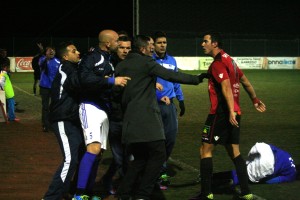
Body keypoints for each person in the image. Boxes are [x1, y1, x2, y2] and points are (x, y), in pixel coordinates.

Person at [115, 35, 209, 200]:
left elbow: (120, 93)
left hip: (129, 120)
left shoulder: (121, 65)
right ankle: (142, 194)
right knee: (158, 155)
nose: (152, 48)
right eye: (150, 46)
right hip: (147, 120)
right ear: (143, 49)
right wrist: (197, 78)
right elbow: (172, 75)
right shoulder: (146, 62)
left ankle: (123, 193)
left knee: (140, 159)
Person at [190, 31, 266, 200]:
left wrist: (230, 110)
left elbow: (225, 87)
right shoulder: (230, 60)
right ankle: (246, 192)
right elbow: (244, 81)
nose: (202, 44)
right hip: (235, 113)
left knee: (205, 149)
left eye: (205, 41)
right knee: (234, 151)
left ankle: (206, 193)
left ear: (214, 44)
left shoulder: (218, 63)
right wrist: (254, 99)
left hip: (221, 113)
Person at [72, 29, 130, 200]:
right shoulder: (92, 57)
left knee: (98, 153)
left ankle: (88, 192)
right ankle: (79, 193)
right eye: (117, 41)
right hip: (90, 106)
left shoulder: (109, 60)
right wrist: (111, 80)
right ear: (108, 43)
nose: (119, 44)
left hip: (103, 108)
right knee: (93, 148)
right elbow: (84, 79)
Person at [42, 41, 85, 200]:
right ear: (66, 56)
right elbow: (78, 84)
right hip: (63, 118)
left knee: (80, 155)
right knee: (70, 160)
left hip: (71, 119)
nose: (78, 52)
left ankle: (68, 190)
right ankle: (50, 197)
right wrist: (103, 81)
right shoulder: (66, 68)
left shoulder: (71, 68)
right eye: (74, 51)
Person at [151, 31, 186, 190]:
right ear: (153, 45)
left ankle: (160, 167)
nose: (162, 45)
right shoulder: (149, 61)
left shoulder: (172, 60)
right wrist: (158, 97)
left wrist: (181, 99)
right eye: (159, 42)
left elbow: (176, 80)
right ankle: (159, 172)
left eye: (164, 42)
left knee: (170, 139)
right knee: (157, 140)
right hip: (154, 106)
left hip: (170, 106)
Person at [101, 35, 132, 195]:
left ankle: (111, 180)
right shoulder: (108, 65)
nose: (125, 51)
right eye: (122, 47)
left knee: (129, 155)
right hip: (114, 117)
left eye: (128, 48)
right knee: (120, 156)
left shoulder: (132, 64)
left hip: (131, 118)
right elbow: (103, 87)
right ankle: (125, 189)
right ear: (115, 47)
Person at [206, 142, 298, 191]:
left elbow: (274, 150)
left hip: (263, 147)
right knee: (245, 178)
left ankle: (210, 176)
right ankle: (212, 187)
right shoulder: (292, 175)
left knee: (241, 170)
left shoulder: (289, 156)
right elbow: (271, 180)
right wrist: (260, 180)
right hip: (267, 163)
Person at [39, 45, 60, 132]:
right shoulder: (43, 60)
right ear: (46, 53)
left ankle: (53, 123)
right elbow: (41, 65)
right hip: (44, 87)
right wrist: (46, 57)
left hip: (54, 87)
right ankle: (45, 124)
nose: (51, 52)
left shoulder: (58, 61)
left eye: (53, 50)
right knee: (45, 106)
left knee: (54, 106)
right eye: (49, 51)